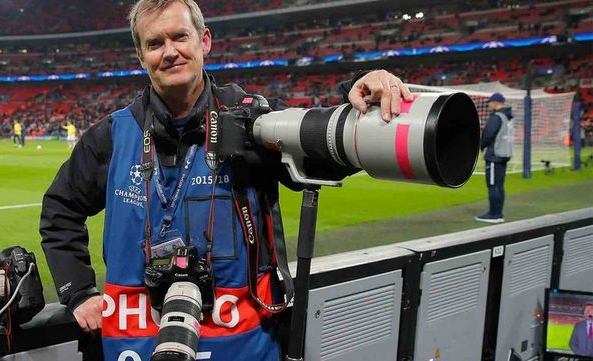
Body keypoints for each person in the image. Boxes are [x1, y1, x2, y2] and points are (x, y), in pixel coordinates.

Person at [40, 1, 412, 360]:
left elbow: (327, 154)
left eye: (180, 37)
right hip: (136, 349)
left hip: (245, 347)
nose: (169, 52)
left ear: (204, 41)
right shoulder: (114, 134)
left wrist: (363, 97)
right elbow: (61, 207)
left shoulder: (256, 120)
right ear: (141, 57)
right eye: (155, 43)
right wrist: (78, 291)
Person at [476, 92, 514, 224]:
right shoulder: (507, 117)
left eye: (490, 102)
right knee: (499, 185)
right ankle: (498, 213)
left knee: (493, 185)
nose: (489, 105)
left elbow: (488, 134)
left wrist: (480, 146)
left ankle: (494, 214)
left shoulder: (497, 117)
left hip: (495, 155)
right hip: (504, 154)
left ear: (496, 102)